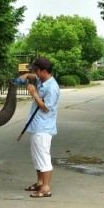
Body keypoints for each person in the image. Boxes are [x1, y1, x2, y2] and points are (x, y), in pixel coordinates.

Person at [17, 57, 60, 198]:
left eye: (36, 70)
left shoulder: (52, 88)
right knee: (37, 157)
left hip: (43, 128)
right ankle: (40, 182)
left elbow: (46, 108)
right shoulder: (43, 79)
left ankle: (46, 188)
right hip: (37, 126)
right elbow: (34, 77)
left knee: (43, 157)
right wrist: (25, 76)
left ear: (43, 70)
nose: (35, 73)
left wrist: (34, 94)